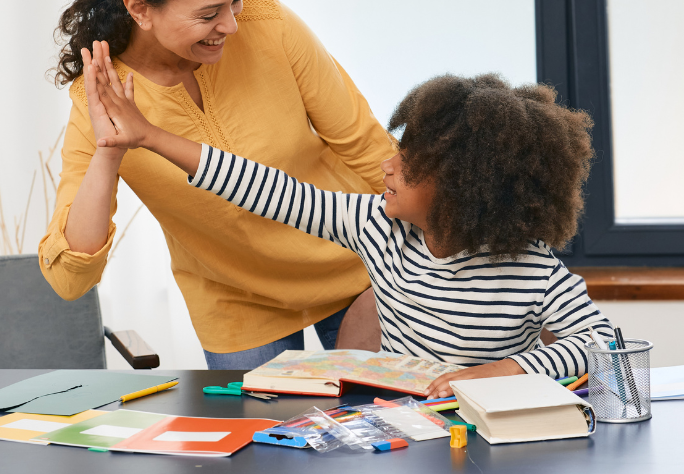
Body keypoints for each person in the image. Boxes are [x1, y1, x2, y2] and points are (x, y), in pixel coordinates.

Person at [88, 67, 615, 396]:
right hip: (406, 433)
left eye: (408, 163)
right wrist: (152, 136)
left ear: (461, 188)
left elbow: (603, 342)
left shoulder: (531, 268)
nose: (388, 165)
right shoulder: (378, 228)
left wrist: (499, 372)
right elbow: (267, 188)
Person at [38, 0, 397, 369]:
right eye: (208, 13)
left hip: (356, 269)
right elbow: (70, 278)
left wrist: (424, 262)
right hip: (237, 303)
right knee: (260, 442)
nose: (230, 24)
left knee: (388, 429)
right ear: (139, 8)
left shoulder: (267, 23)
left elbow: (368, 146)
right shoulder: (101, 97)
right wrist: (108, 153)